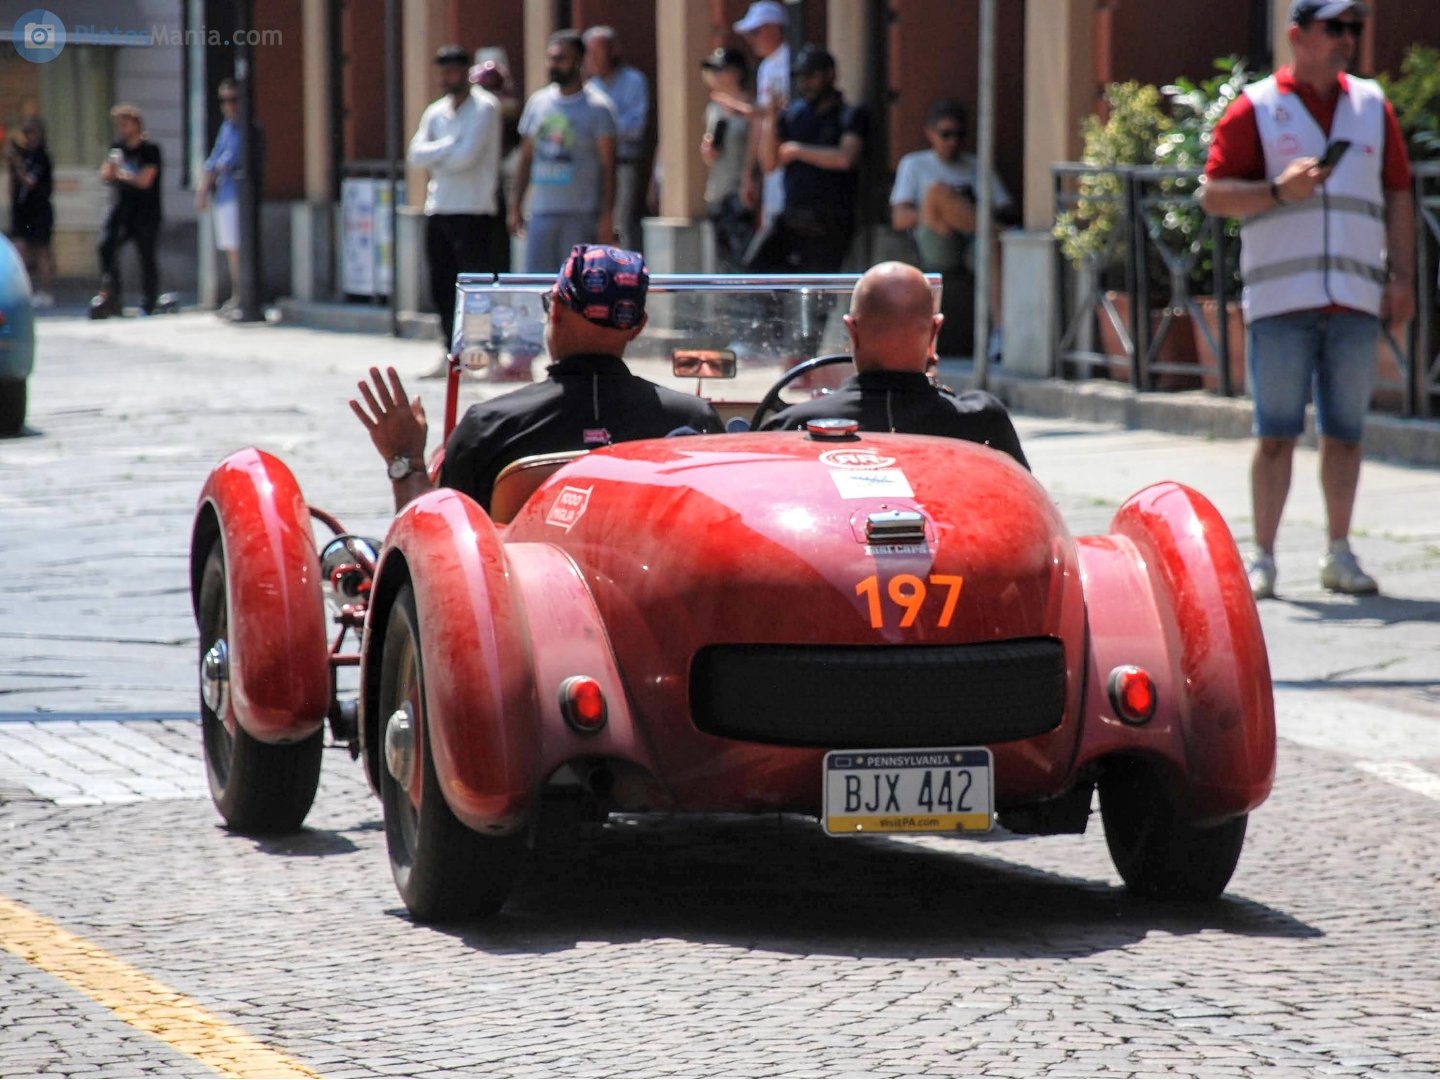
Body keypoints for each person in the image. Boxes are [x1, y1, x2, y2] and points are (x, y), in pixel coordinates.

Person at [1199, 0, 1414, 599]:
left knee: (1346, 431)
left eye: (1356, 28)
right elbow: (1214, 195)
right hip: (1281, 299)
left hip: (1353, 297)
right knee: (1276, 434)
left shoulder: (1372, 106)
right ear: (1298, 35)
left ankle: (1339, 553)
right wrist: (1275, 190)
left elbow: (1399, 195)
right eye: (1335, 28)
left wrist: (1403, 279)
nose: (1347, 39)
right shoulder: (1258, 107)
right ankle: (1263, 558)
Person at [350, 244, 722, 514]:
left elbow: (435, 551)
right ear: (638, 327)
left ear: (556, 309)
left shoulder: (489, 427)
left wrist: (407, 462)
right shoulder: (693, 421)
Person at [759, 261, 1029, 469]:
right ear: (934, 332)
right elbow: (1027, 503)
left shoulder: (791, 428)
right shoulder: (982, 422)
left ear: (852, 331)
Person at [890, 98, 1014, 359]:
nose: (952, 142)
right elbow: (899, 218)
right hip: (936, 238)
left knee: (989, 243)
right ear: (930, 133)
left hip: (973, 242)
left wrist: (961, 213)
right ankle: (991, 229)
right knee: (936, 192)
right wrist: (940, 211)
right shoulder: (914, 164)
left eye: (958, 135)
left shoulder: (976, 165)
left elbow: (1004, 205)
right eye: (945, 134)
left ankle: (1001, 331)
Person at [408, 44, 504, 368]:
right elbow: (415, 154)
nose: (447, 78)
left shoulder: (485, 108)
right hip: (439, 208)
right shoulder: (436, 112)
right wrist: (449, 147)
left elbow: (468, 158)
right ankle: (451, 351)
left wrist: (440, 155)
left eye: (453, 71)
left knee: (475, 287)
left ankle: (480, 352)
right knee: (441, 285)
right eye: (443, 72)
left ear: (466, 72)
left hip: (475, 210)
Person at [510, 30, 618, 275]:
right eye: (550, 58)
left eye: (560, 59)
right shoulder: (538, 103)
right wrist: (515, 206)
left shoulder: (598, 108)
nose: (553, 65)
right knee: (538, 287)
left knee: (575, 289)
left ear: (579, 61)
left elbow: (608, 168)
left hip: (581, 215)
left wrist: (606, 217)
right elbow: (525, 158)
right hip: (541, 213)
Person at [757, 45, 867, 273]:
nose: (805, 83)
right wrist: (771, 119)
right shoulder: (794, 114)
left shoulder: (850, 115)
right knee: (755, 275)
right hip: (791, 218)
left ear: (830, 75)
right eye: (800, 77)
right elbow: (769, 164)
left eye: (811, 76)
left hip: (830, 223)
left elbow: (844, 158)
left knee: (818, 295)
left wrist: (798, 151)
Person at [195, 78, 263, 317]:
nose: (229, 105)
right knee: (230, 248)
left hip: (239, 195)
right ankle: (237, 294)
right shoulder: (226, 128)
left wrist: (210, 177)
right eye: (224, 100)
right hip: (224, 195)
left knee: (238, 247)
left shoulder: (248, 128)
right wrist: (203, 189)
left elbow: (227, 162)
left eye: (233, 100)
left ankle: (243, 295)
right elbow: (213, 160)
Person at [583, 25, 649, 253]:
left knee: (618, 225)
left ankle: (623, 277)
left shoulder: (633, 81)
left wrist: (603, 131)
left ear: (613, 51)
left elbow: (635, 127)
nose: (592, 59)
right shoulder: (589, 87)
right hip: (592, 169)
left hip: (622, 164)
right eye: (588, 53)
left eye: (597, 52)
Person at [92, 103, 161, 318]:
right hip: (122, 209)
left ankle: (149, 301)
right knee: (106, 246)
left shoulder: (150, 150)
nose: (121, 128)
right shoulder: (118, 148)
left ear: (136, 125)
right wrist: (111, 170)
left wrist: (119, 174)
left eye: (125, 123)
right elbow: (105, 175)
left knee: (146, 255)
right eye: (118, 124)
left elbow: (145, 180)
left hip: (145, 211)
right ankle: (114, 297)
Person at [731, 0, 791, 230]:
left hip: (786, 158)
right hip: (769, 161)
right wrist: (750, 172)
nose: (750, 40)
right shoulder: (766, 67)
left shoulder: (791, 60)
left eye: (755, 32)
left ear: (774, 29)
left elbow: (779, 112)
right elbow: (760, 123)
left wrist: (747, 110)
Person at [699, 47, 753, 271]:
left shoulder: (752, 107)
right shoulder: (714, 108)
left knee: (743, 263)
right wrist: (708, 149)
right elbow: (710, 155)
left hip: (741, 193)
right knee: (721, 265)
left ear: (737, 73)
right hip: (718, 193)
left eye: (722, 70)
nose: (717, 76)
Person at [6, 117, 54, 308]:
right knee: (19, 250)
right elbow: (12, 187)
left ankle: (46, 292)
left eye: (31, 132)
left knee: (41, 250)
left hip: (39, 210)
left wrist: (17, 163)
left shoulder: (42, 157)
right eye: (24, 132)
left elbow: (30, 182)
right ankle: (24, 292)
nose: (27, 137)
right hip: (22, 211)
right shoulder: (23, 155)